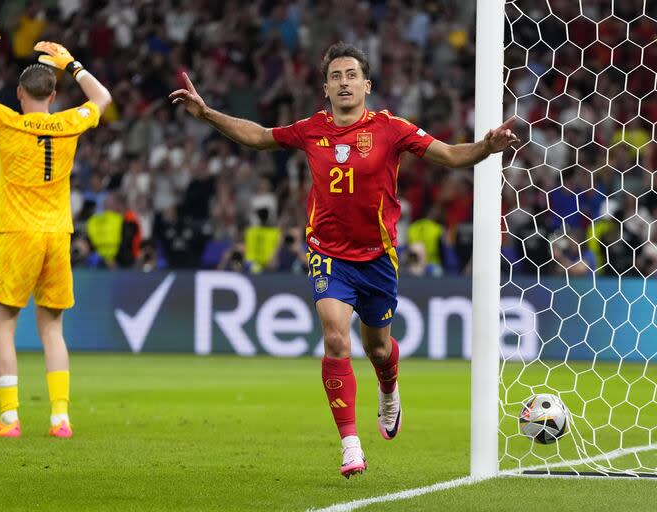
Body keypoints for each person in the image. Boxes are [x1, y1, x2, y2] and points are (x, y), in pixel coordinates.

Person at [170, 41, 518, 478]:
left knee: (377, 347)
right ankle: (350, 444)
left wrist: (487, 146)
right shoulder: (312, 128)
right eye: (336, 76)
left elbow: (449, 155)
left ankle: (388, 387)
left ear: (367, 85)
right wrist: (207, 114)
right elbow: (259, 137)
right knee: (336, 339)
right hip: (328, 253)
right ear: (326, 88)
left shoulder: (390, 129)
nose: (344, 82)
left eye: (351, 75)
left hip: (378, 258)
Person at [0, 18, 111, 438]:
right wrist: (73, 63)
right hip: (58, 235)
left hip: (18, 232)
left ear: (20, 94)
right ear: (54, 95)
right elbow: (104, 97)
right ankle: (60, 418)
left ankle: (9, 418)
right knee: (52, 328)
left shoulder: (6, 120)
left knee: (3, 324)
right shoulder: (70, 122)